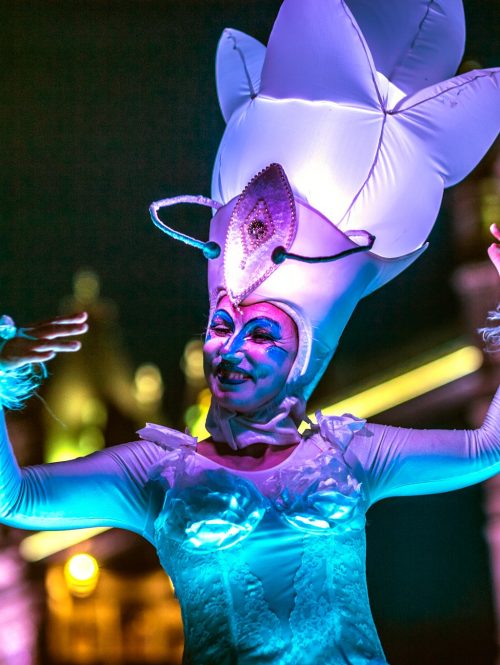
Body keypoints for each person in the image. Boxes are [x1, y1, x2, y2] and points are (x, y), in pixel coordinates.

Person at [1, 0, 499, 663]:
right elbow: (15, 497)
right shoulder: (157, 473)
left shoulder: (352, 457)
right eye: (223, 324)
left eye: (262, 334)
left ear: (301, 359)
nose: (232, 347)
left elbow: (487, 449)